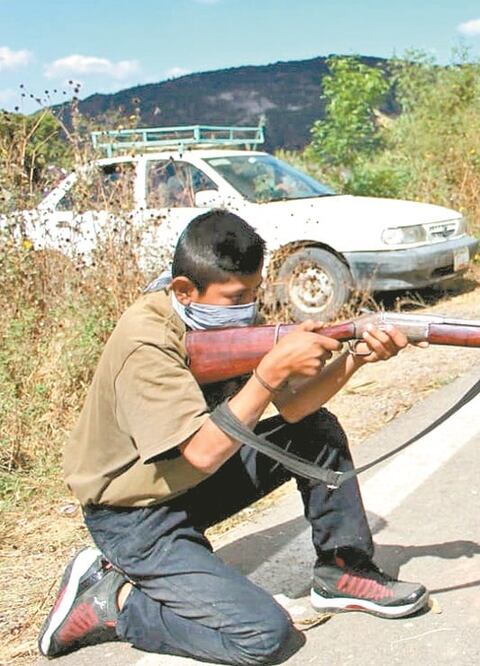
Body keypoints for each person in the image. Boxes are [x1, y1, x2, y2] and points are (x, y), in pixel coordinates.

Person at [39, 211, 428, 664]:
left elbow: (295, 408)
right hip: (132, 517)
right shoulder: (145, 341)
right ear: (184, 290)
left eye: (254, 294)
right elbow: (202, 453)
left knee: (315, 431)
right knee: (262, 636)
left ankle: (343, 570)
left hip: (185, 486)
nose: (249, 308)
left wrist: (354, 358)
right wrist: (268, 373)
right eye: (236, 297)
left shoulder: (223, 318)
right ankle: (111, 605)